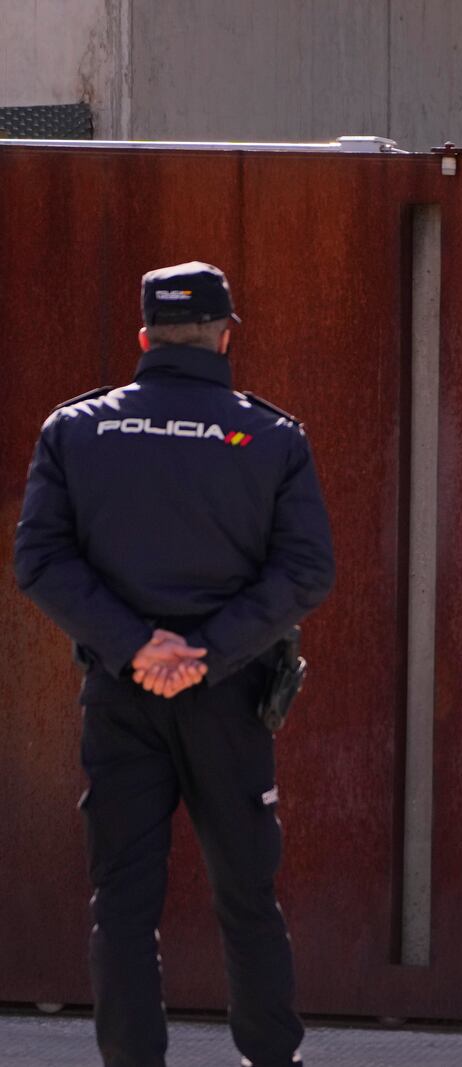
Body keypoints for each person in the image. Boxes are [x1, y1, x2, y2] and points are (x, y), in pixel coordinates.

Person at [13, 262, 335, 1067]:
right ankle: (270, 1057)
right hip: (230, 699)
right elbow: (306, 571)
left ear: (145, 337)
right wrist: (208, 653)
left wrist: (136, 647)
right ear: (227, 334)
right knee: (247, 895)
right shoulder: (270, 435)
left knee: (122, 900)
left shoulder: (76, 429)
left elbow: (40, 560)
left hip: (121, 697)